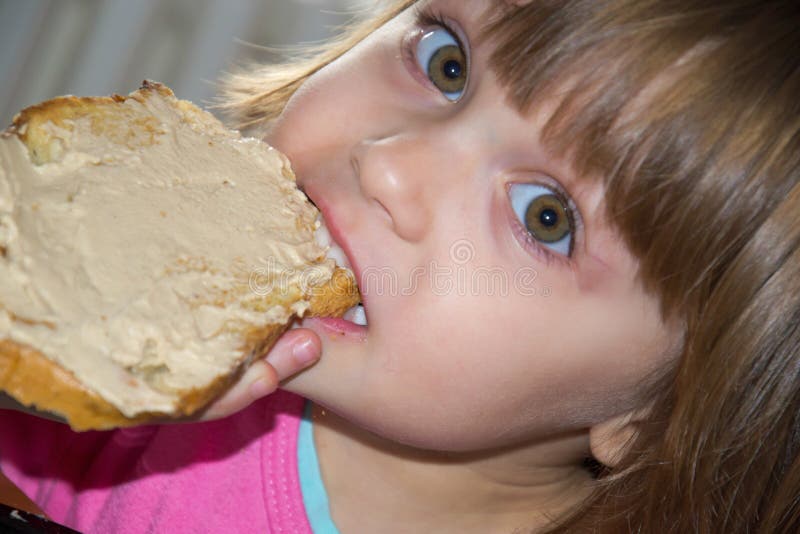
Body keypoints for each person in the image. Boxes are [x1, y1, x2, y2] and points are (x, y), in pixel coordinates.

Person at [2, 0, 799, 531]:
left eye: (546, 218)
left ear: (657, 412)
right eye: (446, 63)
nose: (387, 166)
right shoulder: (136, 309)